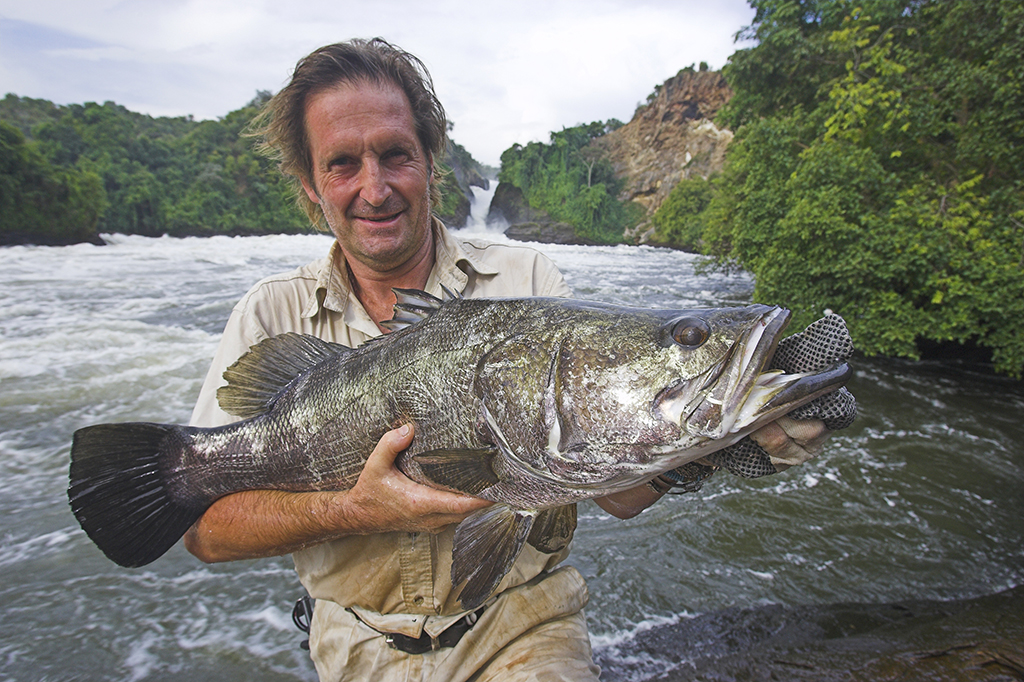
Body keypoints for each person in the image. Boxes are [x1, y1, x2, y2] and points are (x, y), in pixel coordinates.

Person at [185, 38, 834, 681]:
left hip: (524, 627)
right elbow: (204, 532)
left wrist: (705, 449)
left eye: (395, 155)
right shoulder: (269, 312)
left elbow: (619, 493)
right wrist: (353, 510)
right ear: (310, 184)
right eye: (343, 164)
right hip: (354, 646)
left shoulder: (527, 280)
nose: (375, 188)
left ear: (431, 159)